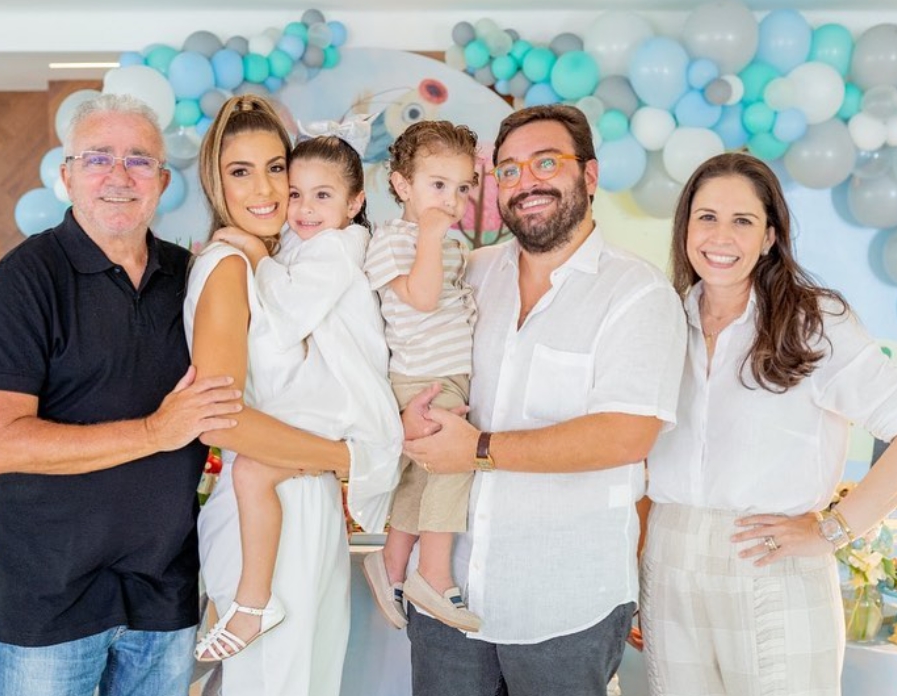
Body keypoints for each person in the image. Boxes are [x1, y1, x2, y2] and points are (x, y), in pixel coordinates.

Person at [400, 104, 687, 695]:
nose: (525, 181)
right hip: (448, 591)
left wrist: (478, 449)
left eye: (546, 163)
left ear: (589, 175)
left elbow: (627, 434)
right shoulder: (469, 274)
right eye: (508, 170)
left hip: (566, 606)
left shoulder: (637, 293)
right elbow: (409, 350)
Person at [0, 93, 244, 696]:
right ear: (67, 176)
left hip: (164, 596)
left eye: (139, 160)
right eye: (97, 158)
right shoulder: (24, 280)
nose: (119, 176)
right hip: (47, 602)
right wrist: (155, 432)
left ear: (162, 182)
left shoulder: (193, 277)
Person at [641, 152, 897, 696]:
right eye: (707, 217)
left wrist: (834, 529)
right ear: (685, 227)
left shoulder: (814, 322)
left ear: (769, 237)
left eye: (743, 220)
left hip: (771, 561)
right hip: (669, 556)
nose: (721, 236)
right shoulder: (660, 318)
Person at [185, 94, 397, 696]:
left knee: (308, 678)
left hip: (305, 498)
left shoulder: (295, 257)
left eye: (276, 168)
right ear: (216, 182)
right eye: (240, 171)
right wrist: (348, 458)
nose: (266, 189)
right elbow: (219, 419)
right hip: (270, 502)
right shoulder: (231, 265)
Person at [362, 120, 481, 633]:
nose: (451, 201)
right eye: (438, 185)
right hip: (424, 376)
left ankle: (391, 563)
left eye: (462, 188)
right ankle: (433, 573)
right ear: (402, 185)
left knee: (422, 477)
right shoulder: (394, 240)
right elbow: (423, 298)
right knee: (455, 465)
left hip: (446, 372)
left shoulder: (447, 245)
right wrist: (431, 236)